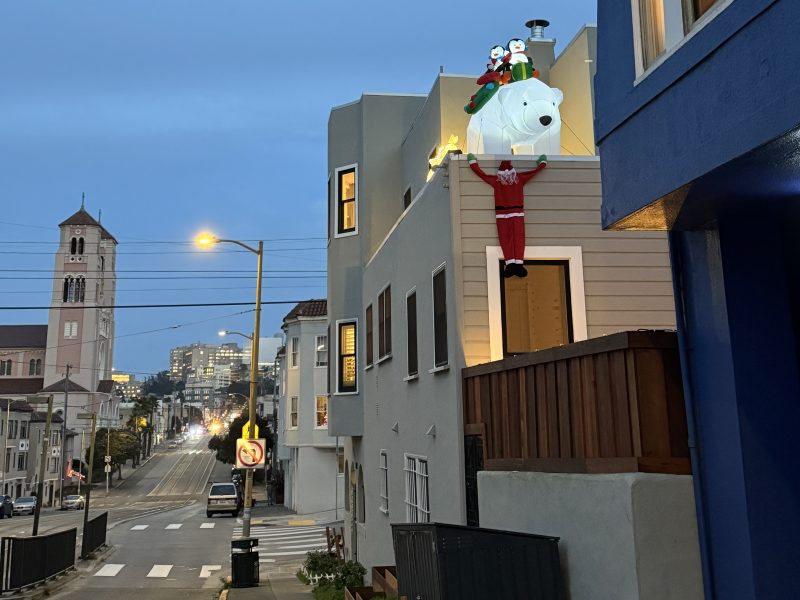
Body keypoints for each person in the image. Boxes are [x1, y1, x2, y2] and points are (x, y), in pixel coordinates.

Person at [466, 153, 548, 277]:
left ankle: (511, 263)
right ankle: (516, 264)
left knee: (505, 237)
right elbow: (533, 173)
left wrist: (473, 163)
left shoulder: (497, 181)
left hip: (502, 213)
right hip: (516, 212)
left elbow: (482, 175)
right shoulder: (518, 178)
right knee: (518, 237)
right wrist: (542, 164)